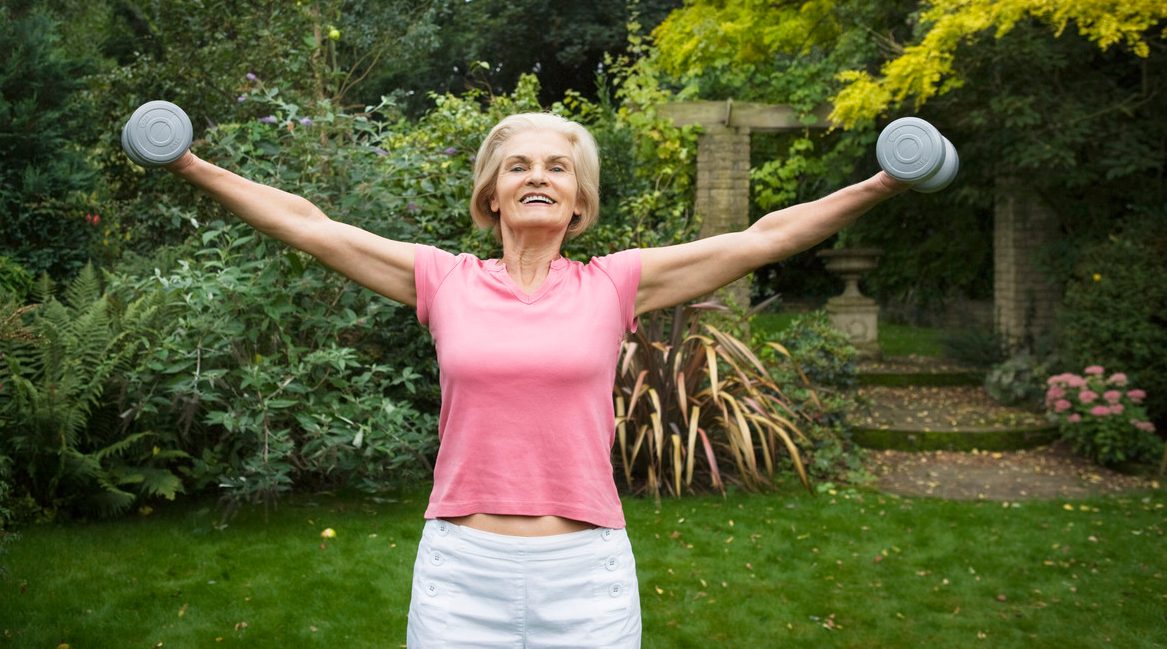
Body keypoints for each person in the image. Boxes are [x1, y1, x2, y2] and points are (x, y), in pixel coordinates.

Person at [165, 111, 909, 648]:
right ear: (491, 195)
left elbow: (762, 238)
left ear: (579, 202)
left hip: (584, 573)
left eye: (557, 167)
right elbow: (309, 225)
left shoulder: (614, 284)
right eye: (518, 166)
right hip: (462, 571)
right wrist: (189, 165)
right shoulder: (442, 279)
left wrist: (879, 182)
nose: (538, 177)